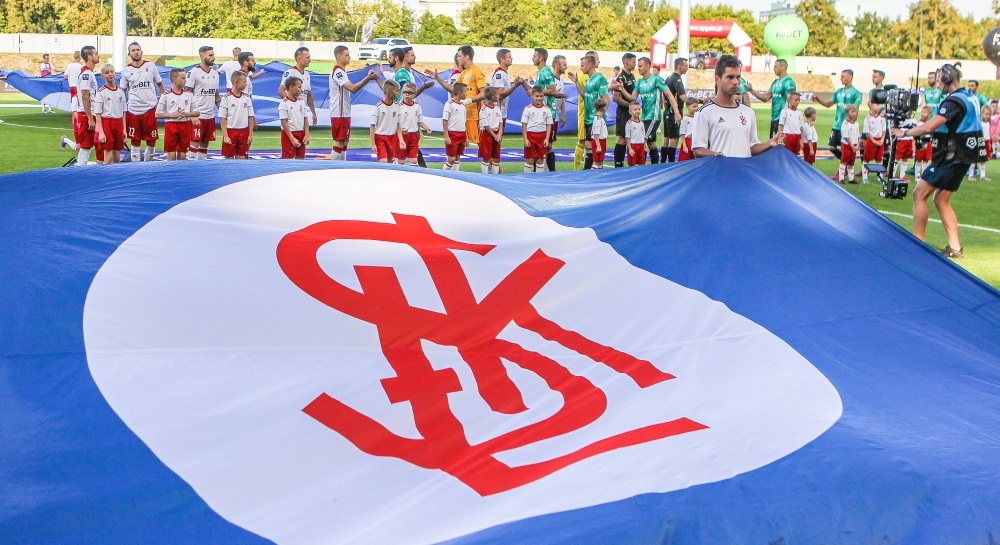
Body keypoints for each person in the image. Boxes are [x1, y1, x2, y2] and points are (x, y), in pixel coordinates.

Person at [891, 64, 985, 258]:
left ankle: (918, 243)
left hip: (951, 156)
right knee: (941, 199)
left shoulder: (952, 102)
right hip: (965, 155)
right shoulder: (969, 96)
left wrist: (904, 133)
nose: (938, 83)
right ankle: (955, 247)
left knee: (919, 194)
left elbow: (930, 127)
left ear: (948, 79)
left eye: (940, 78)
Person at [692, 55, 782, 158]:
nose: (735, 82)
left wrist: (769, 143)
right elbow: (698, 149)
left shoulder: (748, 112)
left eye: (738, 77)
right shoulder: (704, 112)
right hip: (721, 168)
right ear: (717, 78)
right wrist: (717, 155)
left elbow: (751, 147)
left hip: (743, 168)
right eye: (730, 77)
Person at [329, 45, 379, 161]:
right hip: (339, 112)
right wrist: (368, 78)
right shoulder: (338, 72)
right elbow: (352, 88)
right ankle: (334, 166)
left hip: (344, 112)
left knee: (344, 141)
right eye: (346, 55)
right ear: (339, 57)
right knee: (339, 141)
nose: (349, 57)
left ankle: (342, 165)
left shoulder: (342, 72)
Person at [522, 49, 566, 172]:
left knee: (546, 146)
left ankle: (549, 173)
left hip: (548, 113)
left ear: (540, 58)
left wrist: (538, 92)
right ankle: (540, 172)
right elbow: (535, 92)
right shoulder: (541, 72)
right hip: (541, 112)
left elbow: (552, 90)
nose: (533, 58)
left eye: (534, 56)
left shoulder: (546, 72)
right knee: (539, 147)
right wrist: (522, 83)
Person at [121, 41, 165, 162]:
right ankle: (136, 168)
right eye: (133, 50)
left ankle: (148, 166)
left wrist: (162, 102)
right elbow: (122, 91)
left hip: (149, 108)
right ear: (129, 54)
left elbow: (160, 84)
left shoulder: (151, 66)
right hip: (133, 109)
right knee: (135, 141)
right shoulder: (126, 70)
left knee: (151, 141)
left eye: (138, 50)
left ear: (141, 52)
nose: (136, 52)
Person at [568, 54, 614, 170]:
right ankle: (591, 171)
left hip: (595, 119)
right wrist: (576, 82)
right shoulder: (589, 80)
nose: (580, 68)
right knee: (589, 146)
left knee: (592, 146)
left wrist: (599, 116)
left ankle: (590, 171)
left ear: (589, 65)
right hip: (588, 118)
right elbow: (585, 95)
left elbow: (606, 100)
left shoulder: (600, 79)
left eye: (582, 65)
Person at [813, 69, 862, 160]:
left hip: (847, 125)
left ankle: (845, 164)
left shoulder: (856, 93)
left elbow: (855, 109)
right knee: (831, 147)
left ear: (850, 78)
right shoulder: (839, 92)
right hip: (837, 125)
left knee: (846, 147)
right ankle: (845, 160)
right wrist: (818, 99)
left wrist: (852, 123)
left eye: (843, 77)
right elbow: (829, 104)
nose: (841, 79)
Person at [635, 56, 674, 164]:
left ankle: (641, 166)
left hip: (654, 116)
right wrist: (620, 89)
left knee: (643, 140)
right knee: (651, 143)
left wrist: (677, 112)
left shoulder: (656, 79)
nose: (638, 68)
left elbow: (669, 95)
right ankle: (655, 166)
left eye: (640, 66)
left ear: (647, 66)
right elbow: (632, 98)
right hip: (644, 117)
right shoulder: (639, 82)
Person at [185, 46, 221, 160]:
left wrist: (224, 111)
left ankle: (202, 166)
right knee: (194, 142)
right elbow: (187, 95)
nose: (213, 57)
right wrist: (192, 115)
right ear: (202, 56)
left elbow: (216, 96)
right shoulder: (193, 72)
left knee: (205, 143)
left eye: (213, 55)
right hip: (198, 115)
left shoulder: (215, 74)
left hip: (210, 116)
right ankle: (190, 167)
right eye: (210, 55)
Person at [155, 69, 198, 161]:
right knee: (171, 156)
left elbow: (197, 112)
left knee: (182, 156)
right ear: (174, 80)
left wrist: (186, 114)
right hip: (171, 126)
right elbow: (157, 114)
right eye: (183, 78)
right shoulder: (166, 96)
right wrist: (173, 115)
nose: (185, 80)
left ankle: (181, 171)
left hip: (185, 125)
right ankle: (171, 171)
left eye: (185, 78)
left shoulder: (189, 95)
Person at [746, 58, 796, 138]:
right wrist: (751, 90)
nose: (773, 69)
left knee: (780, 143)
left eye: (776, 67)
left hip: (783, 119)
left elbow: (792, 101)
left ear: (782, 67)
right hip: (775, 118)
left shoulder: (788, 82)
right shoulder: (775, 82)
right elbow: (765, 97)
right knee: (773, 142)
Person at [72, 46, 100, 166]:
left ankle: (81, 167)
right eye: (95, 54)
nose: (98, 56)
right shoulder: (86, 74)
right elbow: (85, 96)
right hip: (86, 114)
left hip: (88, 113)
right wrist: (90, 118)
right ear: (89, 57)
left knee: (88, 145)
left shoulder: (88, 73)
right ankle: (80, 170)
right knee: (86, 146)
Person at [93, 64, 127, 164]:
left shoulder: (120, 91)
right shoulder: (101, 92)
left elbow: (123, 112)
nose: (110, 74)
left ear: (115, 73)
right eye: (107, 73)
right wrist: (101, 132)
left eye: (112, 72)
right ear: (102, 76)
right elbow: (98, 114)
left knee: (117, 156)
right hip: (107, 123)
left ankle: (116, 173)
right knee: (108, 156)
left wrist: (124, 129)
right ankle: (106, 173)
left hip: (118, 123)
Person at [219, 71, 254, 160]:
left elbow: (250, 117)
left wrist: (250, 134)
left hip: (244, 131)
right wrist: (225, 136)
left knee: (242, 158)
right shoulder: (226, 98)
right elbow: (223, 118)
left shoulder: (246, 98)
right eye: (244, 82)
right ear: (237, 82)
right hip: (231, 131)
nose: (246, 84)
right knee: (229, 158)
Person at [573, 50, 599, 170]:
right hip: (585, 114)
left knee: (591, 143)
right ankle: (577, 169)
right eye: (597, 59)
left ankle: (588, 167)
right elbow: (586, 95)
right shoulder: (585, 77)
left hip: (591, 115)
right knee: (583, 141)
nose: (598, 62)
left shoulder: (595, 77)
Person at [279, 47, 318, 127]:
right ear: (299, 59)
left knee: (302, 132)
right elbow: (281, 90)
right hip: (292, 111)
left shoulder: (307, 74)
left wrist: (314, 113)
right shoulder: (291, 72)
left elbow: (308, 95)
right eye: (307, 57)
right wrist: (291, 104)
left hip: (302, 110)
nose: (309, 60)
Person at [488, 49, 522, 136]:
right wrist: (515, 85)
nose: (511, 59)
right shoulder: (499, 74)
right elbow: (500, 95)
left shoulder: (503, 73)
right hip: (497, 112)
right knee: (497, 138)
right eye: (509, 57)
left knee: (498, 138)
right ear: (502, 60)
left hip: (500, 112)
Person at [612, 53, 638, 168]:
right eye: (633, 62)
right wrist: (629, 105)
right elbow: (615, 98)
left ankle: (631, 164)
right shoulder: (620, 78)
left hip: (632, 113)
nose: (635, 64)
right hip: (623, 113)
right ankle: (618, 165)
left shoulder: (632, 76)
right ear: (626, 63)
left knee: (631, 138)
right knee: (622, 139)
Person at [398, 82, 432, 167]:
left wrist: (427, 127)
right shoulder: (399, 107)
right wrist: (400, 131)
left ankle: (414, 174)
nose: (407, 94)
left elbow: (419, 121)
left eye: (410, 92)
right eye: (405, 92)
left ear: (414, 94)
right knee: (401, 161)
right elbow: (395, 123)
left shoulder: (417, 106)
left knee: (414, 160)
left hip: (413, 136)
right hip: (402, 136)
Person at [661, 57, 688, 162]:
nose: (687, 68)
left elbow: (664, 94)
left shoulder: (669, 78)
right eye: (685, 66)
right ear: (679, 66)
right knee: (674, 141)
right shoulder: (677, 80)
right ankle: (671, 164)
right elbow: (683, 97)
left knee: (666, 139)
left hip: (667, 111)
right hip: (674, 112)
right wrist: (698, 101)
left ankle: (663, 162)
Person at [521, 85, 553, 173]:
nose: (539, 98)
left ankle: (539, 178)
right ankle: (526, 178)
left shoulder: (547, 109)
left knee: (540, 159)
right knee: (530, 159)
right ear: (532, 96)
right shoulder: (528, 109)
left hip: (542, 136)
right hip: (530, 136)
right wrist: (525, 139)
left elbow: (548, 125)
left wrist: (547, 138)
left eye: (541, 96)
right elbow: (524, 125)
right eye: (537, 96)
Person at [370, 80, 403, 164]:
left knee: (390, 163)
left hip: (393, 138)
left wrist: (401, 140)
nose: (398, 93)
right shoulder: (378, 107)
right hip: (380, 138)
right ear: (389, 92)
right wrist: (373, 144)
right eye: (396, 91)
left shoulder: (397, 106)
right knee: (384, 162)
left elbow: (398, 124)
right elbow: (372, 125)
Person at [278, 76, 310, 160]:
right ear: (291, 87)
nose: (301, 90)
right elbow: (284, 122)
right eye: (299, 87)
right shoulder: (284, 104)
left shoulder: (301, 102)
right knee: (288, 159)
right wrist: (292, 138)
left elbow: (305, 119)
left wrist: (306, 135)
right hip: (289, 134)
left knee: (300, 158)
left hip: (301, 133)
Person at [442, 82, 468, 171]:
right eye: (465, 91)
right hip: (453, 134)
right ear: (459, 92)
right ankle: (443, 175)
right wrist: (446, 136)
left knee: (457, 158)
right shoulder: (449, 104)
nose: (466, 94)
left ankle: (455, 175)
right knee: (451, 159)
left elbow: (464, 122)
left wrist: (466, 137)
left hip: (462, 134)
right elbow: (445, 120)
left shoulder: (463, 106)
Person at [478, 86, 503, 173]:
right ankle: (485, 176)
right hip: (487, 134)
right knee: (486, 157)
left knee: (496, 158)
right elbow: (486, 125)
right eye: (497, 95)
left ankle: (494, 176)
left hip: (496, 133)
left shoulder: (497, 107)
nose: (499, 96)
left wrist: (499, 133)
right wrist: (494, 136)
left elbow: (500, 121)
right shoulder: (483, 109)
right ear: (493, 97)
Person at [861, 103, 885, 183]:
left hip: (880, 140)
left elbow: (884, 130)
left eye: (879, 104)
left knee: (879, 159)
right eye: (876, 104)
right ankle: (865, 177)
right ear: (871, 106)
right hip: (871, 141)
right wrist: (874, 141)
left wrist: (882, 139)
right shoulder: (868, 118)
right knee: (866, 158)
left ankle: (880, 177)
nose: (879, 106)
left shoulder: (882, 118)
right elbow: (867, 132)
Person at [838, 105, 860, 183]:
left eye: (855, 111)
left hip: (854, 145)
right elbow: (846, 137)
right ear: (847, 113)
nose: (854, 113)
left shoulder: (856, 124)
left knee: (852, 161)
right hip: (847, 145)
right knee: (844, 160)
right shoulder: (845, 124)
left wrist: (857, 145)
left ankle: (851, 178)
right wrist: (852, 146)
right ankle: (841, 178)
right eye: (852, 111)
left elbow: (858, 135)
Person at [969, 105, 992, 180]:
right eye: (986, 114)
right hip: (979, 141)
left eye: (989, 114)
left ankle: (982, 175)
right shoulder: (979, 123)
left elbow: (988, 133)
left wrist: (989, 141)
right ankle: (970, 175)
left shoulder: (988, 123)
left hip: (986, 142)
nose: (988, 116)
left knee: (983, 159)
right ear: (982, 113)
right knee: (974, 159)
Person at [778, 91, 804, 156]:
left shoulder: (799, 112)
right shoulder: (785, 111)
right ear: (789, 100)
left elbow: (801, 128)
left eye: (799, 100)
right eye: (796, 100)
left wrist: (801, 140)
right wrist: (780, 137)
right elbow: (781, 125)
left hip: (797, 137)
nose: (798, 102)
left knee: (795, 156)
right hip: (788, 136)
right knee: (786, 155)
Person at [912, 106, 933, 181]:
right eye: (922, 112)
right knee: (919, 159)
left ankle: (924, 175)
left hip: (928, 143)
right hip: (920, 142)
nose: (922, 114)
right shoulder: (918, 123)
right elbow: (915, 134)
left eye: (924, 112)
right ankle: (917, 176)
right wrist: (914, 143)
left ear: (929, 114)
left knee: (926, 159)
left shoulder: (930, 123)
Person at [677, 97, 698, 162]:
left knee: (694, 161)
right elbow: (682, 132)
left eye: (697, 106)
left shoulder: (697, 118)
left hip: (695, 141)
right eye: (694, 106)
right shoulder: (685, 119)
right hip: (687, 141)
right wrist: (684, 145)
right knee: (684, 160)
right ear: (688, 106)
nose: (696, 108)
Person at [591, 98, 609, 169]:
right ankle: (593, 174)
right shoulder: (598, 120)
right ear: (603, 108)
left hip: (602, 141)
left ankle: (600, 173)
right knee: (596, 161)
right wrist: (598, 146)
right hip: (599, 141)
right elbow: (596, 133)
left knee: (600, 160)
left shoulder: (600, 119)